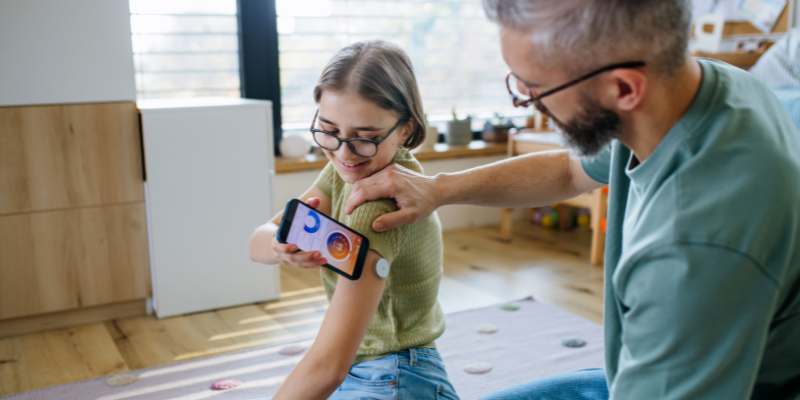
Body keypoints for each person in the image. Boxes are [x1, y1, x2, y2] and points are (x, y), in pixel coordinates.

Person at [343, 1, 800, 399]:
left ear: (623, 88)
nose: (528, 103)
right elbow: (568, 169)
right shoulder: (700, 89)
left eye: (535, 88)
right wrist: (439, 190)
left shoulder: (692, 248)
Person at [248, 40, 459, 400]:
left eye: (366, 138)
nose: (343, 153)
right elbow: (257, 242)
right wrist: (279, 245)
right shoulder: (343, 174)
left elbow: (328, 366)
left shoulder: (377, 207)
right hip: (376, 368)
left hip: (394, 377)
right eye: (329, 131)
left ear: (406, 130)